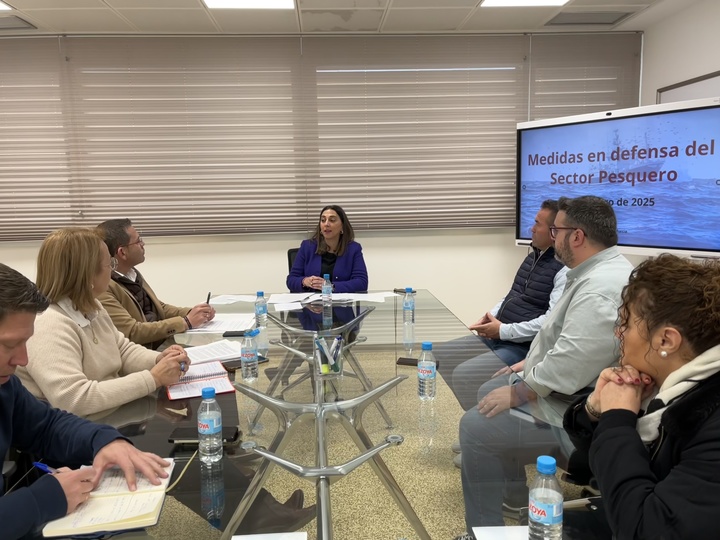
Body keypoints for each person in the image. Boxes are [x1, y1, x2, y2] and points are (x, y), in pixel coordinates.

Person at [456, 196, 634, 537]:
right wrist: (526, 364)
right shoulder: (592, 273)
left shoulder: (601, 287)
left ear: (577, 236)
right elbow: (561, 338)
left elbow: (570, 363)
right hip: (566, 390)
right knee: (488, 392)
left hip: (573, 407)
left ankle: (486, 532)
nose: (553, 237)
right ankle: (512, 497)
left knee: (477, 427)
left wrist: (521, 391)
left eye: (557, 230)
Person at [0, 262, 172, 540]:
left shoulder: (5, 385)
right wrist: (41, 500)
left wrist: (105, 440)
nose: (23, 360)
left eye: (25, 343)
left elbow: (46, 426)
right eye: (9, 345)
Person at [563, 254, 720, 539]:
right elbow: (587, 466)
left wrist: (616, 421)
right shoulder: (667, 389)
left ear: (665, 341)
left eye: (626, 324)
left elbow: (646, 530)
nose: (618, 332)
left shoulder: (711, 420)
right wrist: (595, 410)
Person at [16, 227, 190, 417]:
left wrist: (159, 359)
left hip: (104, 416)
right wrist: (153, 378)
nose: (113, 271)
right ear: (89, 274)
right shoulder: (47, 323)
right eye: (110, 264)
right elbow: (74, 399)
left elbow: (122, 350)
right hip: (65, 432)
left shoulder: (91, 306)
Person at [449, 200, 567, 409]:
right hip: (500, 333)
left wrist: (502, 330)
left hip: (522, 346)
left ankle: (478, 424)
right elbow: (511, 295)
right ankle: (473, 414)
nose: (531, 228)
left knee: (464, 374)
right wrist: (489, 318)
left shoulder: (563, 270)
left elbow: (549, 323)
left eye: (537, 223)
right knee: (444, 355)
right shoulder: (531, 258)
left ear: (552, 232)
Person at [95, 219, 215, 349]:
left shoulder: (131, 273)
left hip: (163, 342)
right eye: (138, 241)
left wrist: (194, 312)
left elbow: (159, 308)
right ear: (122, 252)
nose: (143, 244)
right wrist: (185, 322)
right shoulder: (103, 288)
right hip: (144, 352)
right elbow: (132, 331)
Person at [286, 205, 369, 293]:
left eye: (332, 220)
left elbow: (362, 283)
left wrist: (331, 286)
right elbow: (291, 280)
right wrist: (304, 281)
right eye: (323, 220)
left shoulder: (353, 249)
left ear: (342, 226)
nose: (326, 224)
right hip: (311, 305)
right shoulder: (307, 247)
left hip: (341, 305)